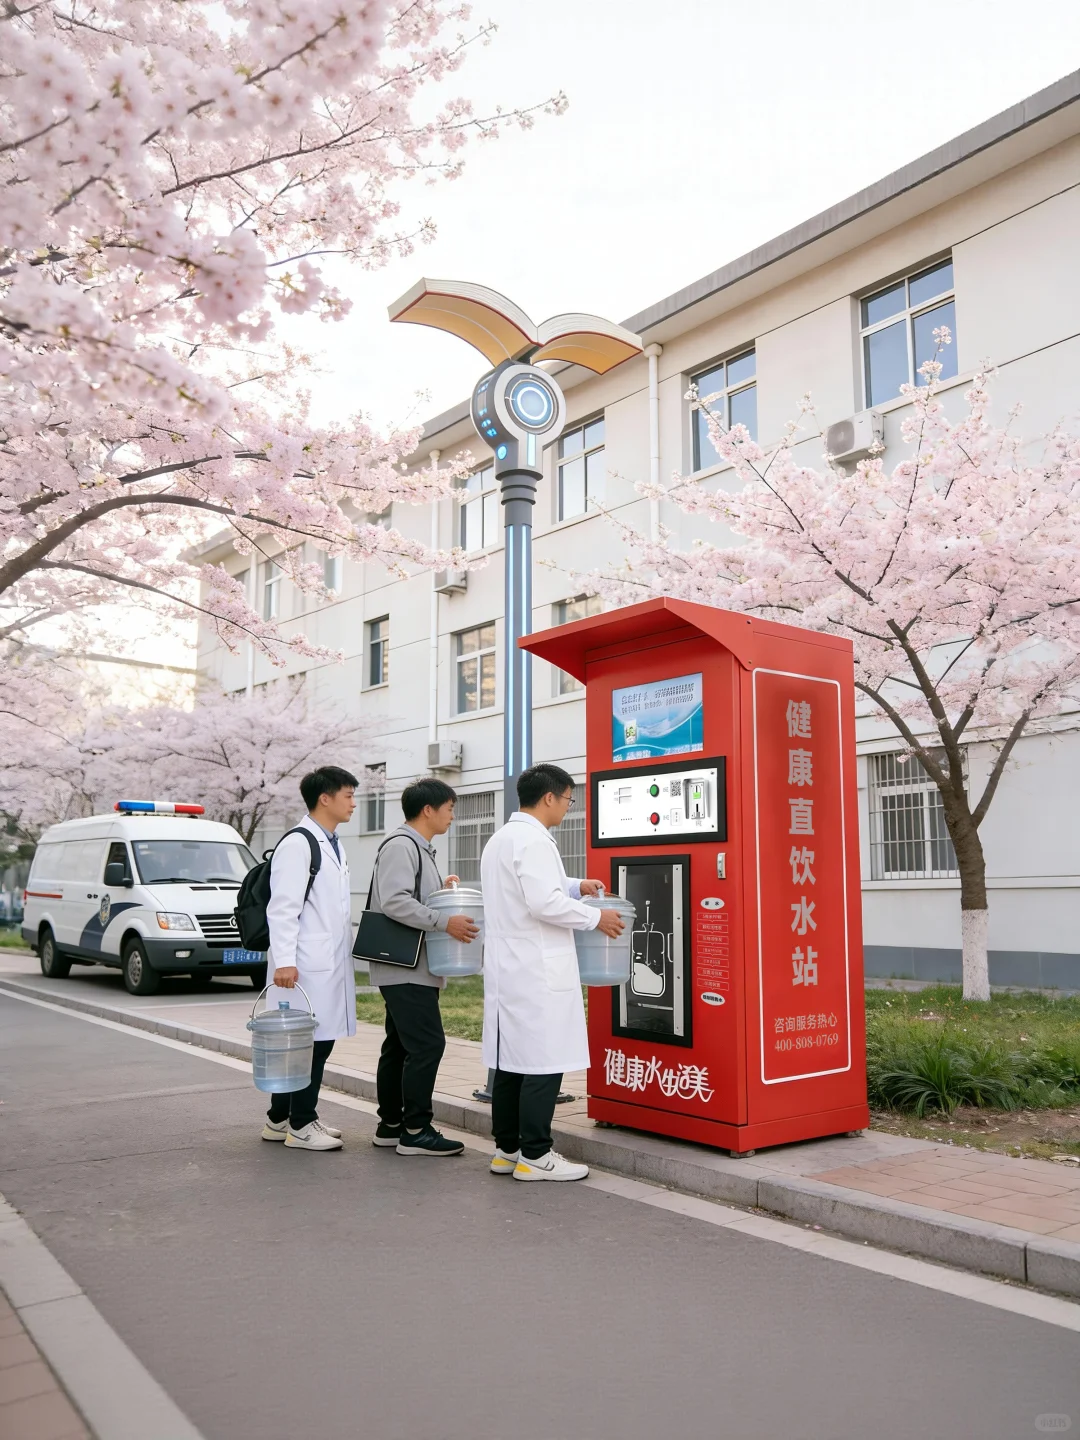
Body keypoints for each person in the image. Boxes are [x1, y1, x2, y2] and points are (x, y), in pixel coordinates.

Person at [481, 763, 625, 1182]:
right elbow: (543, 902)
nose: (567, 807)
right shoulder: (534, 841)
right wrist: (594, 918)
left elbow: (539, 886)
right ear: (549, 798)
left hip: (510, 966)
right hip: (536, 968)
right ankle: (537, 1155)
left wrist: (576, 884)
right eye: (568, 799)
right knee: (543, 1062)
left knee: (510, 1062)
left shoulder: (503, 839)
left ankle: (507, 1150)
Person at [368, 778, 479, 1157]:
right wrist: (443, 920)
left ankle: (392, 1125)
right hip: (406, 966)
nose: (452, 816)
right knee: (428, 1044)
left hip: (405, 965)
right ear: (428, 810)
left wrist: (440, 886)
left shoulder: (418, 848)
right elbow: (395, 901)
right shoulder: (403, 846)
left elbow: (408, 895)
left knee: (399, 1046)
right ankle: (416, 1129)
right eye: (449, 808)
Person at [262, 766, 358, 1152]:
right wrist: (284, 960)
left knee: (314, 1041)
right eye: (348, 795)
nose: (353, 802)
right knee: (310, 1045)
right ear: (325, 798)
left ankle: (278, 1119)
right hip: (302, 964)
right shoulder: (299, 843)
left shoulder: (332, 842)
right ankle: (300, 1125)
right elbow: (282, 908)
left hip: (325, 960)